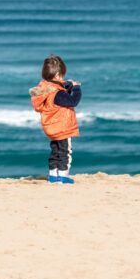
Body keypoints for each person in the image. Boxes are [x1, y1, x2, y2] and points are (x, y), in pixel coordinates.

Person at [29, 55, 81, 184]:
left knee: (55, 151)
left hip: (51, 127)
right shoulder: (57, 93)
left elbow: (59, 100)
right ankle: (63, 176)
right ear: (58, 74)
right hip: (62, 127)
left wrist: (66, 88)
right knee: (65, 152)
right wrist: (77, 88)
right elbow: (73, 101)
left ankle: (53, 176)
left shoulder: (45, 90)